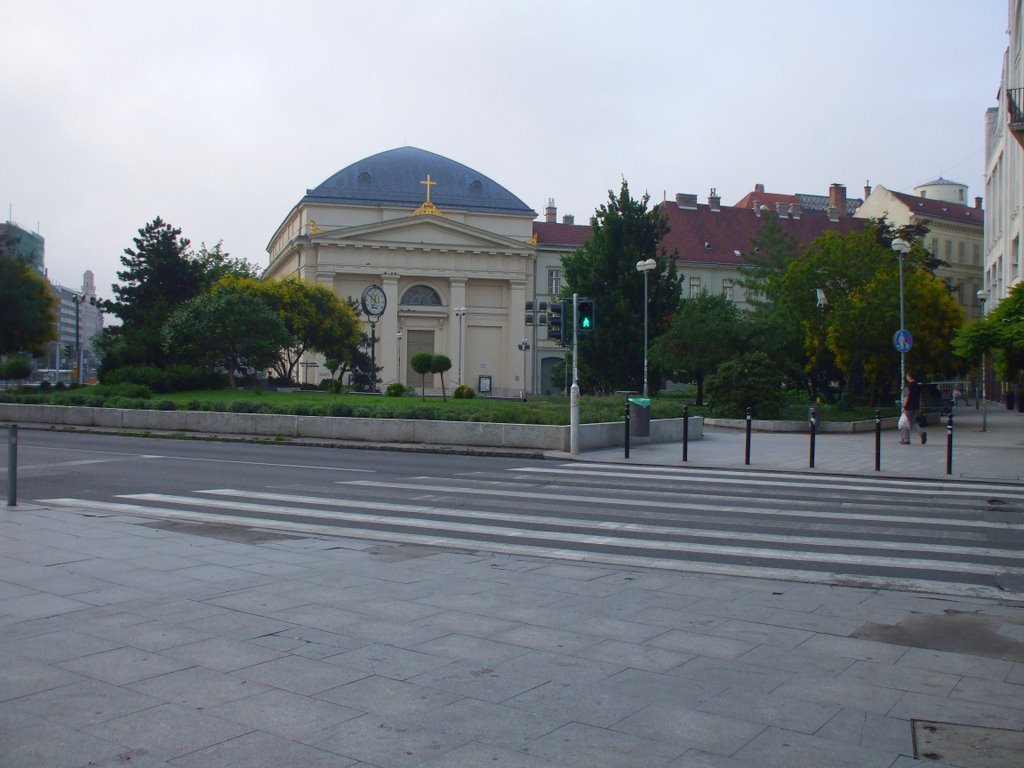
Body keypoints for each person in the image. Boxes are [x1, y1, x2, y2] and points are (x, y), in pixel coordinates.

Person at [903, 371, 925, 445]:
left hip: (908, 407)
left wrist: (904, 406)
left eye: (907, 376)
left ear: (909, 376)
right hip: (916, 406)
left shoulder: (908, 386)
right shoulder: (918, 386)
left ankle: (906, 440)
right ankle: (921, 433)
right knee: (913, 422)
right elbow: (919, 398)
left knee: (905, 422)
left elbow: (907, 396)